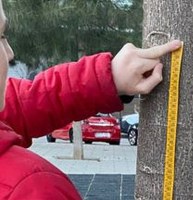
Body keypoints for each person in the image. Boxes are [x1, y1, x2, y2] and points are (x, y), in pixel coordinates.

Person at [0, 1, 182, 199]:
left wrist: (105, 76)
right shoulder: (34, 190)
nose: (10, 52)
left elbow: (21, 104)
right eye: (0, 36)